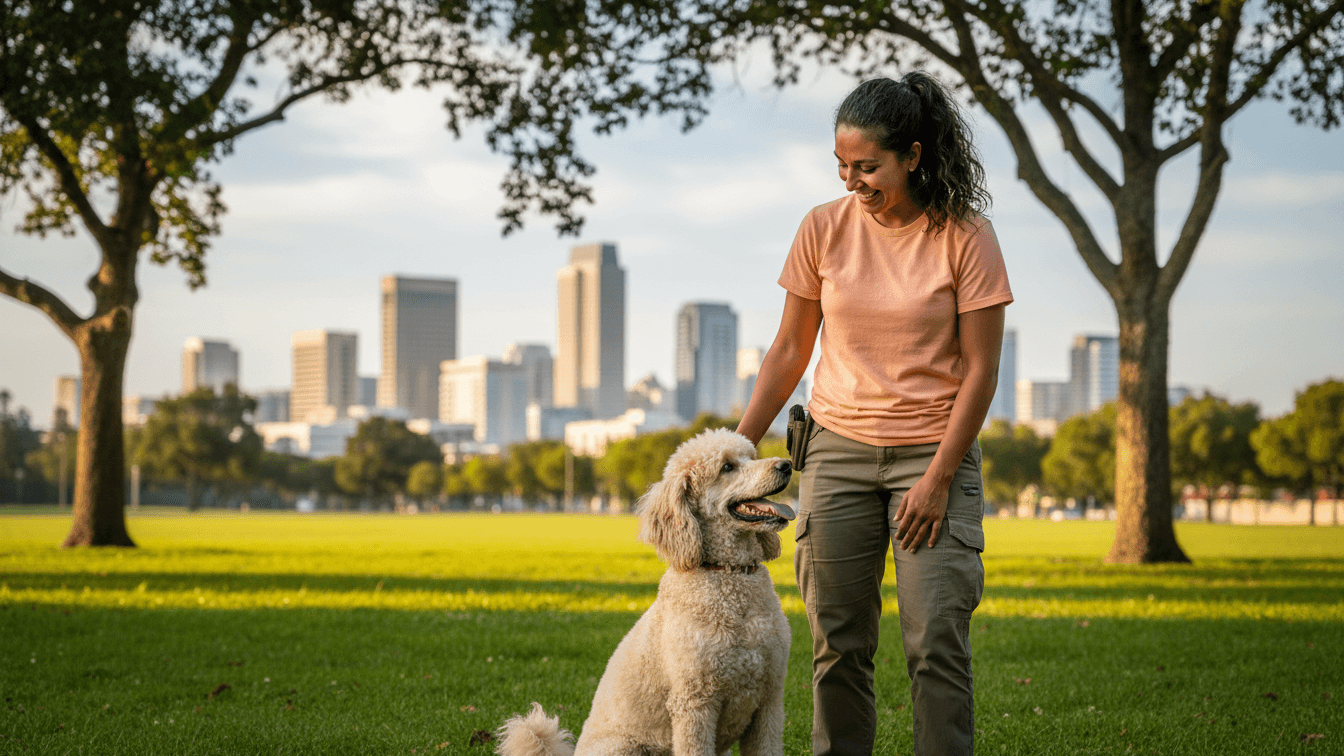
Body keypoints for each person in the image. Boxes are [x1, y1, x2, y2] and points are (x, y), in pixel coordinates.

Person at [735, 72, 1012, 756]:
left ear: (912, 156)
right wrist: (737, 447)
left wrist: (940, 477)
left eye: (868, 167)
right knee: (838, 645)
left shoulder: (964, 236)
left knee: (936, 643)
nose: (852, 180)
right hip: (836, 451)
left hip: (933, 456)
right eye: (842, 166)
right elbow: (791, 348)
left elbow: (981, 370)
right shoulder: (822, 229)